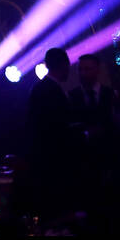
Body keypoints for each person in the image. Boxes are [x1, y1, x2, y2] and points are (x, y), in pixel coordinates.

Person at [26, 48, 77, 218]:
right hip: (51, 160)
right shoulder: (51, 90)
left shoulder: (41, 88)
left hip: (42, 157)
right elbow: (57, 128)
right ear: (64, 65)